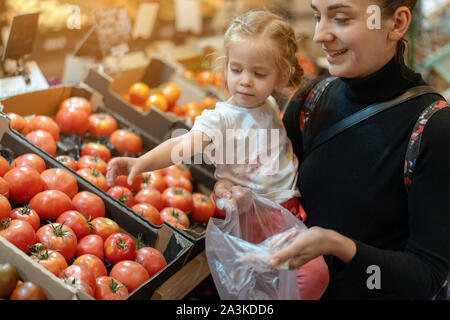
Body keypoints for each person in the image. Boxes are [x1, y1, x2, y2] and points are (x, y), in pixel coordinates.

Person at [214, 0, 450, 299]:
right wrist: (238, 192)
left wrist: (339, 247)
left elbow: (426, 277)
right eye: (317, 16)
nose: (319, 35)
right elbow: (274, 192)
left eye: (339, 18)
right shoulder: (311, 100)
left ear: (397, 23)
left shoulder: (433, 129)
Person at [106, 10, 330, 300]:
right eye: (236, 70)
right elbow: (183, 145)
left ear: (281, 75)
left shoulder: (268, 104)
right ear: (225, 66)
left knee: (281, 281)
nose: (246, 81)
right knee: (312, 274)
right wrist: (141, 162)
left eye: (259, 73)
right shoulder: (222, 119)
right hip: (255, 214)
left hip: (282, 211)